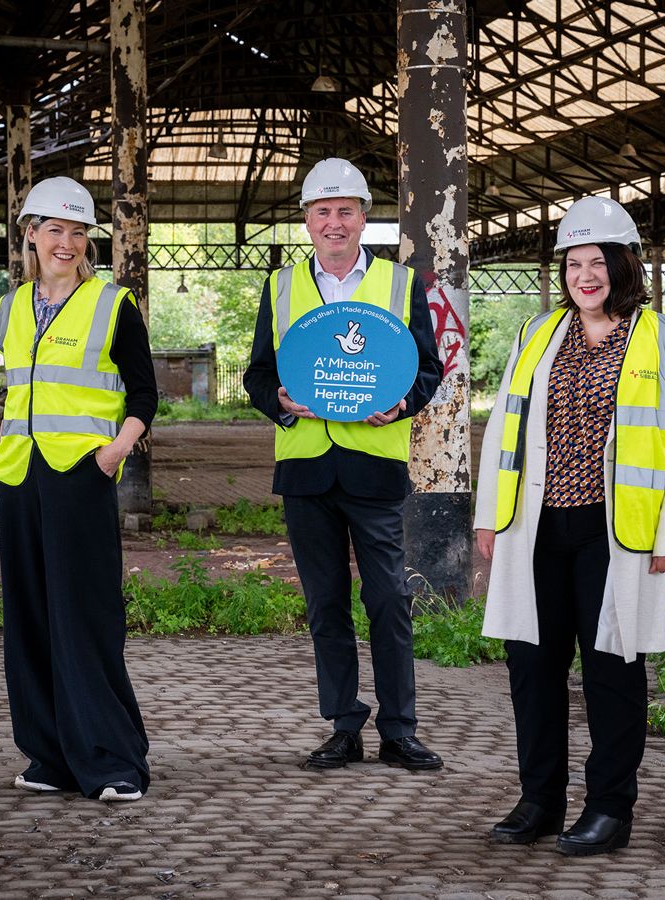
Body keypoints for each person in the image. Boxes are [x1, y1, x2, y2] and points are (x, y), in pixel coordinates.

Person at [473, 196, 665, 854]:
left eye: (598, 261)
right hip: (536, 528)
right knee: (532, 669)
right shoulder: (538, 333)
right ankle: (539, 800)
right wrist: (491, 514)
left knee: (611, 670)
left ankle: (609, 808)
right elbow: (504, 426)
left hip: (616, 533)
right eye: (574, 263)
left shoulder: (662, 336)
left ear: (625, 266)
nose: (585, 275)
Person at [243, 157, 445, 771]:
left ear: (364, 218)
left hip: (374, 467)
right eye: (322, 212)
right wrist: (275, 401)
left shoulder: (398, 283)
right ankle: (342, 726)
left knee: (388, 599)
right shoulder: (280, 287)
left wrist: (403, 404)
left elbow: (428, 369)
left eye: (345, 212)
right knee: (325, 605)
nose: (334, 223)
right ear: (307, 221)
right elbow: (257, 374)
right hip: (306, 469)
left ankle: (399, 731)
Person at [0, 176, 156, 803]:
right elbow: (19, 395)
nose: (67, 242)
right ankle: (50, 755)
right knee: (28, 618)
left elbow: (144, 394)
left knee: (84, 616)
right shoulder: (7, 308)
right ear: (30, 234)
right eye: (55, 229)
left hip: (81, 475)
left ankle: (113, 761)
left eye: (78, 232)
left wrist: (113, 453)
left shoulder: (113, 303)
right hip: (19, 479)